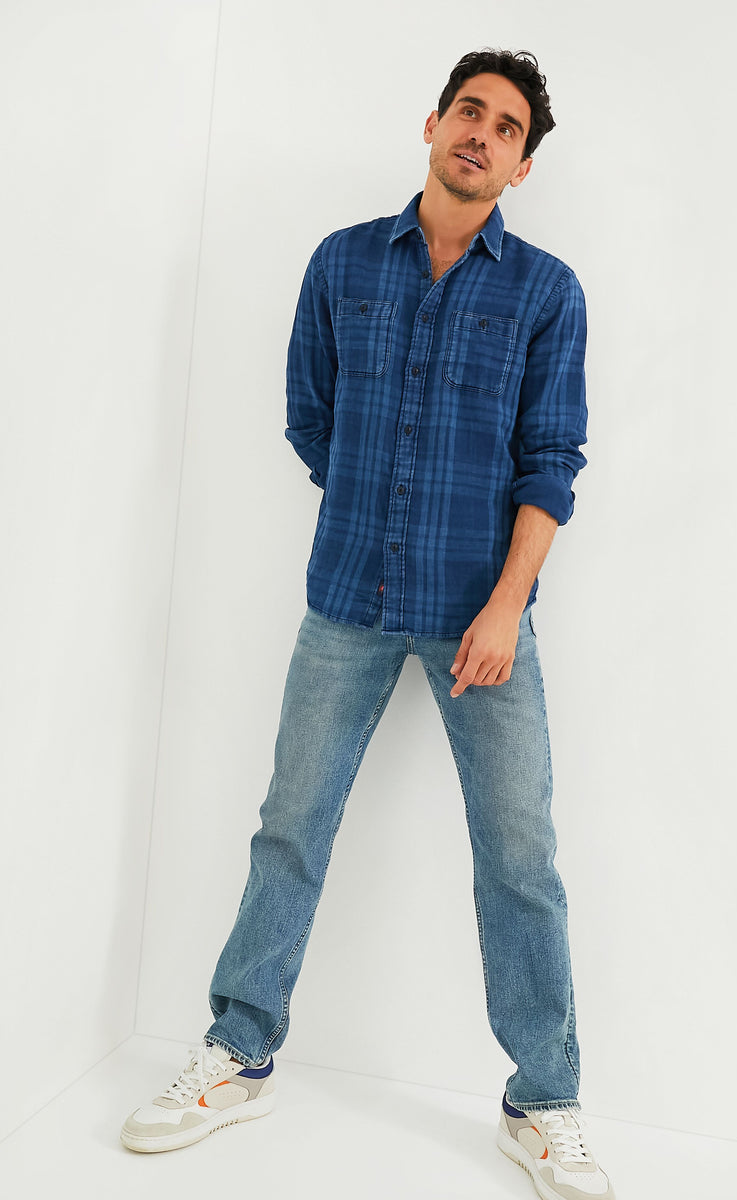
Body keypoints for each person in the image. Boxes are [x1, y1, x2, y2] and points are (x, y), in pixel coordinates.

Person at [121, 47, 615, 1200]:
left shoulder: (546, 293)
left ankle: (541, 1099)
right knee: (289, 827)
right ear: (431, 124)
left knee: (519, 858)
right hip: (346, 599)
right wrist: (368, 514)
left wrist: (504, 606)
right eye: (468, 112)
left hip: (480, 621)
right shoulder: (341, 263)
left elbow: (550, 464)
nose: (480, 133)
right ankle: (239, 1051)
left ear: (521, 167)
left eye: (505, 127)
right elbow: (312, 418)